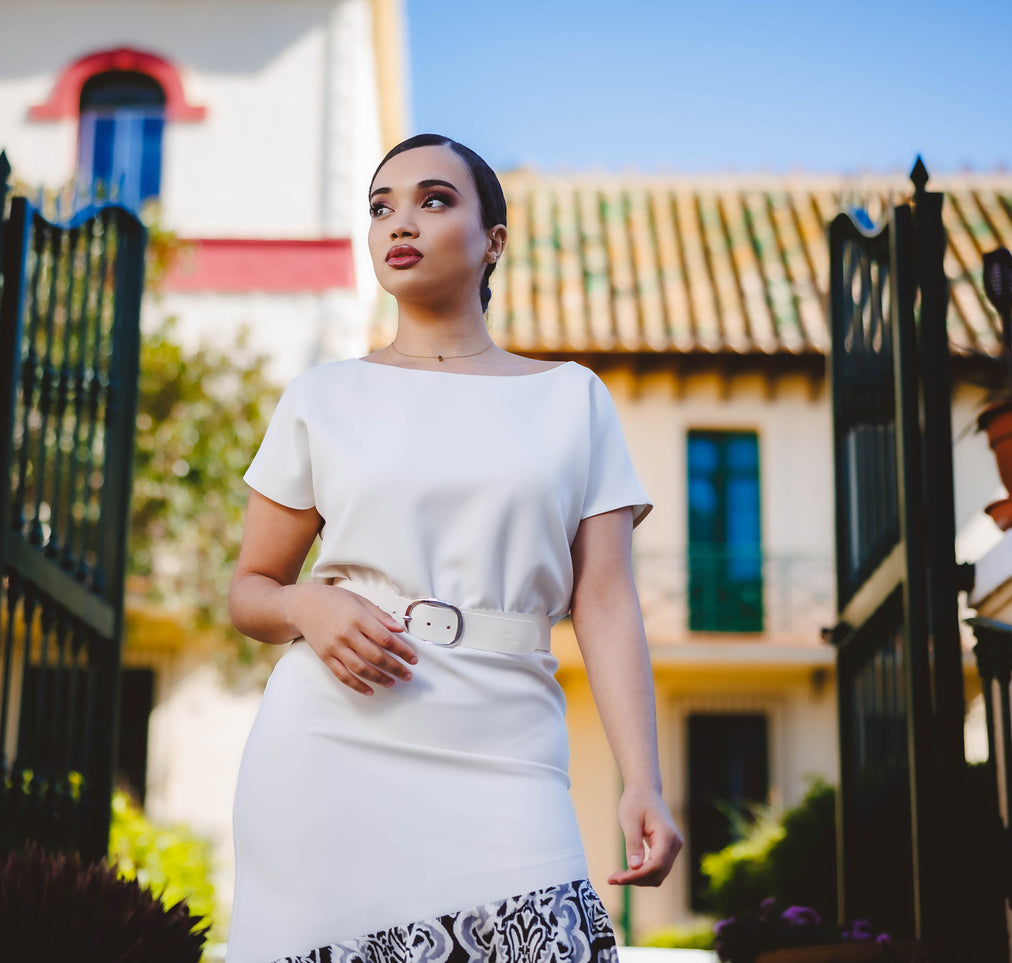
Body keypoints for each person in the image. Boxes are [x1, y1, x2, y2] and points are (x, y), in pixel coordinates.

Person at [225, 133, 682, 962]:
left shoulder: (573, 399)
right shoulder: (323, 397)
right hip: (331, 746)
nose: (400, 222)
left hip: (509, 751)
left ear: (492, 242)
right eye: (380, 207)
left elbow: (606, 601)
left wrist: (641, 781)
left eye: (434, 200)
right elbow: (250, 588)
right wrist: (306, 602)